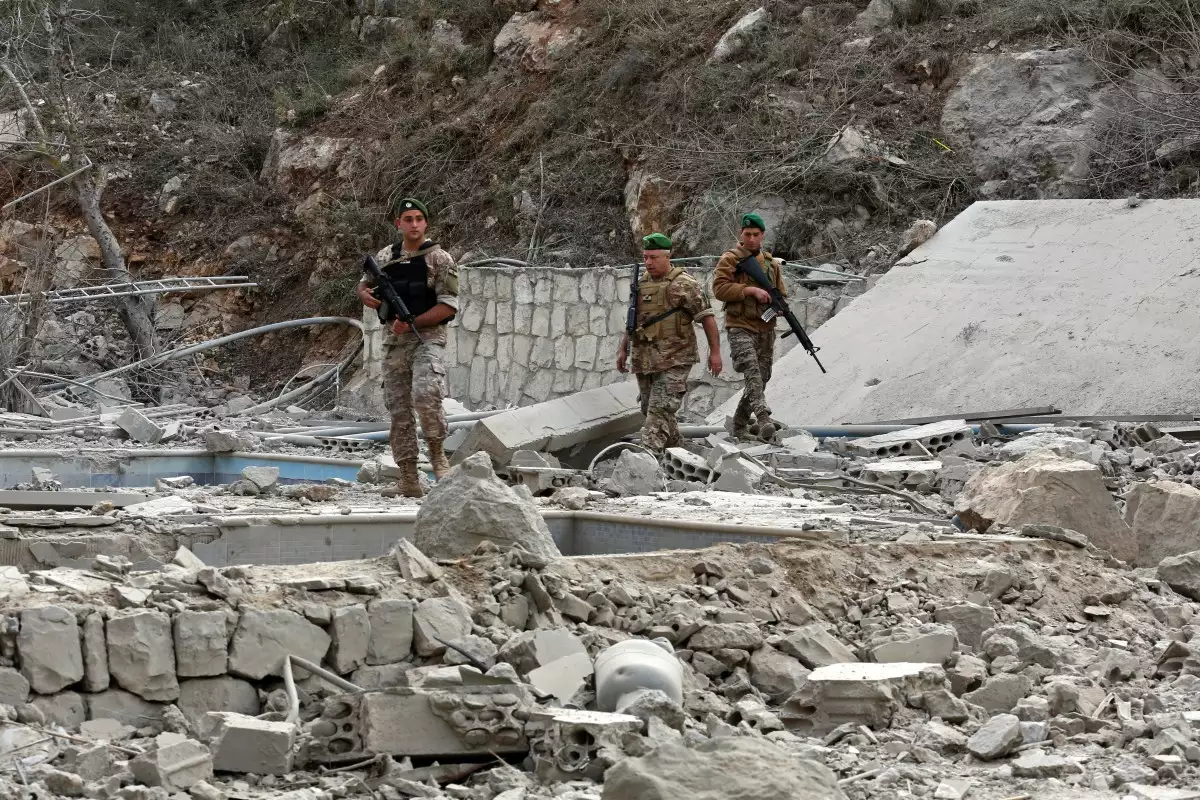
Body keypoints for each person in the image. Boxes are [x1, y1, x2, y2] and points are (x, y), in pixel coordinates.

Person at [355, 198, 458, 497]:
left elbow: (448, 307)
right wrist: (364, 294)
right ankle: (408, 478)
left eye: (419, 219)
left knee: (426, 396)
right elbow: (365, 283)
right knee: (398, 409)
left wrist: (413, 321)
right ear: (398, 223)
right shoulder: (386, 255)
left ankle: (438, 458)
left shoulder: (440, 259)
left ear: (426, 223)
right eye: (408, 219)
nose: (414, 224)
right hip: (394, 341)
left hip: (427, 339)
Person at [616, 232, 722, 454]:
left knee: (659, 410)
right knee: (650, 408)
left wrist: (715, 352)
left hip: (676, 358)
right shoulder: (641, 284)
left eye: (654, 257)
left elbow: (707, 318)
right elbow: (633, 321)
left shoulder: (685, 284)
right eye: (645, 257)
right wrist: (623, 348)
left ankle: (646, 459)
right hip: (645, 359)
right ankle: (678, 449)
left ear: (667, 256)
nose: (648, 262)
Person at [711, 212, 786, 441]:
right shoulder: (730, 259)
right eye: (747, 234)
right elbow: (719, 289)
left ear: (762, 235)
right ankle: (763, 418)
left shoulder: (771, 264)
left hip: (765, 327)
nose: (751, 239)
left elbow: (781, 293)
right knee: (752, 370)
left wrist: (779, 306)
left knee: (762, 377)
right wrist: (749, 291)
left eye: (755, 234)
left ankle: (740, 424)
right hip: (740, 325)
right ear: (740, 234)